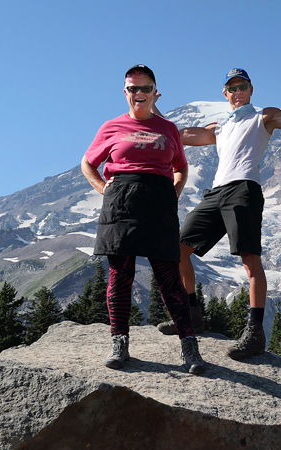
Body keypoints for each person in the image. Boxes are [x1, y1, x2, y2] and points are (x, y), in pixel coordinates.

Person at [157, 46, 281, 360]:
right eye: (232, 88)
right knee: (177, 250)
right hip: (216, 194)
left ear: (251, 90)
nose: (238, 92)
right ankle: (191, 316)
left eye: (243, 87)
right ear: (225, 94)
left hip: (244, 190)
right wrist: (151, 109)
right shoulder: (220, 127)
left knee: (249, 261)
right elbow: (178, 134)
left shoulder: (263, 116)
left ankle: (255, 334)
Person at [81, 64, 205, 374]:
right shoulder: (110, 126)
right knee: (120, 277)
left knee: (168, 277)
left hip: (159, 203)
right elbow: (88, 163)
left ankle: (190, 347)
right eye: (133, 88)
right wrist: (101, 188)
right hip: (121, 201)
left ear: (155, 91)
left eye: (145, 88)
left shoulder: (168, 129)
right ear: (125, 92)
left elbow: (181, 167)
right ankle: (119, 345)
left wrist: (173, 192)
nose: (139, 94)